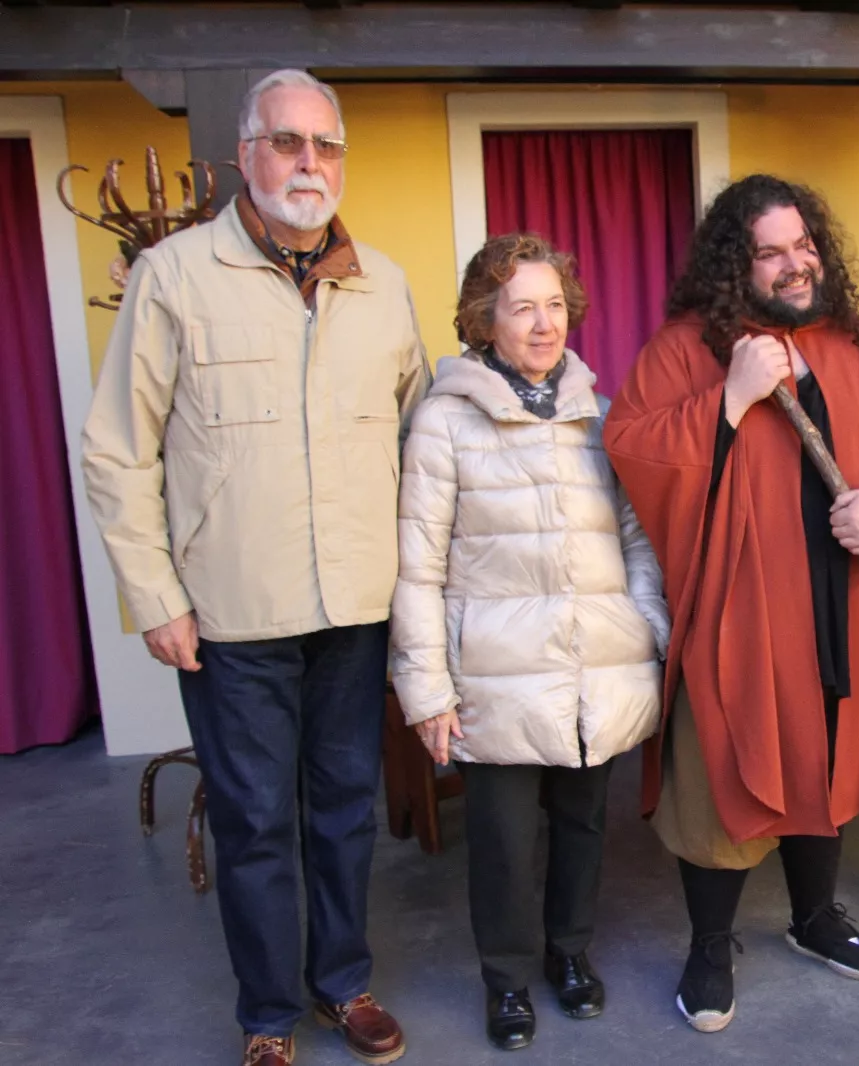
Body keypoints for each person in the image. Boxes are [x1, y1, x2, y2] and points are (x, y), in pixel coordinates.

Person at [81, 69, 428, 1066]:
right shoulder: (175, 276)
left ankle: (343, 984)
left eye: (324, 145)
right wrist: (154, 593)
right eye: (286, 142)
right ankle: (269, 1013)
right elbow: (117, 447)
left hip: (357, 608)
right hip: (231, 617)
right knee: (255, 822)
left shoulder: (385, 287)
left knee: (347, 811)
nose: (307, 163)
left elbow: (419, 440)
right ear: (246, 154)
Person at [603, 174, 859, 1034]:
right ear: (736, 263)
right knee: (726, 769)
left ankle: (814, 917)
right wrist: (727, 399)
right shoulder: (689, 349)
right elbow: (634, 448)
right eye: (771, 253)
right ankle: (711, 944)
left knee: (824, 759)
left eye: (805, 246)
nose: (797, 266)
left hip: (847, 607)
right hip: (742, 616)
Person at [390, 233, 670, 1051]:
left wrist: (645, 627)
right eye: (523, 308)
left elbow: (636, 538)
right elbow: (417, 565)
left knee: (584, 824)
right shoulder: (444, 422)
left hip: (596, 663)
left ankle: (570, 955)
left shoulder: (599, 411)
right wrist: (429, 689)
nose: (545, 325)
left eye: (555, 306)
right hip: (494, 674)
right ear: (486, 320)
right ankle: (507, 980)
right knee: (505, 843)